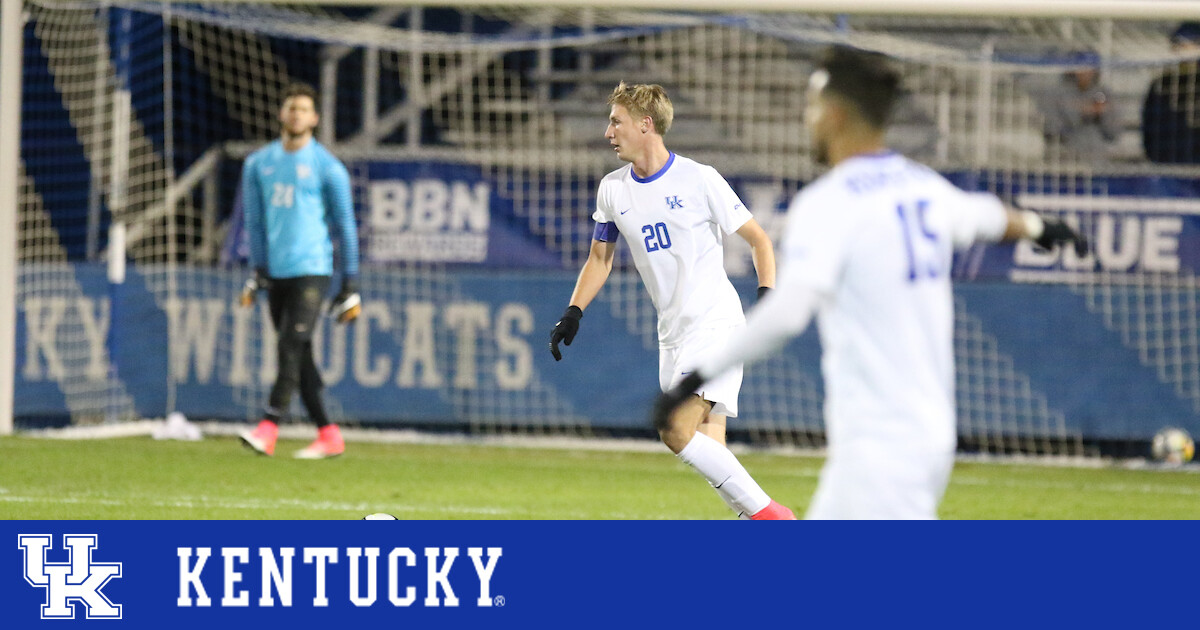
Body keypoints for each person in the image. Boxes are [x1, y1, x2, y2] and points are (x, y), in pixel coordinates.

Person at [652, 47, 1088, 519]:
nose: (807, 119)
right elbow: (986, 216)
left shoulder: (829, 202)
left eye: (812, 107)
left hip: (879, 442)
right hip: (929, 433)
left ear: (835, 114)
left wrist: (693, 379)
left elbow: (786, 315)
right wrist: (1041, 228)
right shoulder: (923, 187)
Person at [548, 82, 794, 520]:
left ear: (646, 125)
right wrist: (573, 311)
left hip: (715, 324)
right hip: (673, 334)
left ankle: (773, 517)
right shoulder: (612, 190)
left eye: (616, 121)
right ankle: (751, 522)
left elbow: (760, 241)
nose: (608, 132)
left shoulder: (700, 178)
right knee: (709, 447)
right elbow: (599, 260)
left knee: (673, 429)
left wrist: (768, 298)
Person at [238, 82, 361, 460]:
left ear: (315, 118)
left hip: (313, 269)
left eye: (304, 109)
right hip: (276, 272)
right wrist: (258, 271)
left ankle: (269, 425)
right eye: (291, 107)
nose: (296, 114)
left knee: (290, 344)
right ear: (282, 114)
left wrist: (350, 283)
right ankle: (328, 434)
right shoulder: (258, 164)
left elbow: (346, 225)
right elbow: (255, 224)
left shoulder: (327, 167)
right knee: (300, 354)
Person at [1032, 49, 1121, 159]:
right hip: (1063, 155)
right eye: (1081, 67)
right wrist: (1077, 111)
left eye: (1090, 67)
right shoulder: (1056, 93)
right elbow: (1052, 129)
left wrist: (1100, 114)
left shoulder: (1104, 93)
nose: (1085, 72)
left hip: (1095, 154)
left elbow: (1113, 133)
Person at [1142, 22, 1200, 163]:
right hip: (1169, 165)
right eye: (1180, 44)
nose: (1185, 50)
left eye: (1191, 44)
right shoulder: (1161, 84)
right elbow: (1150, 127)